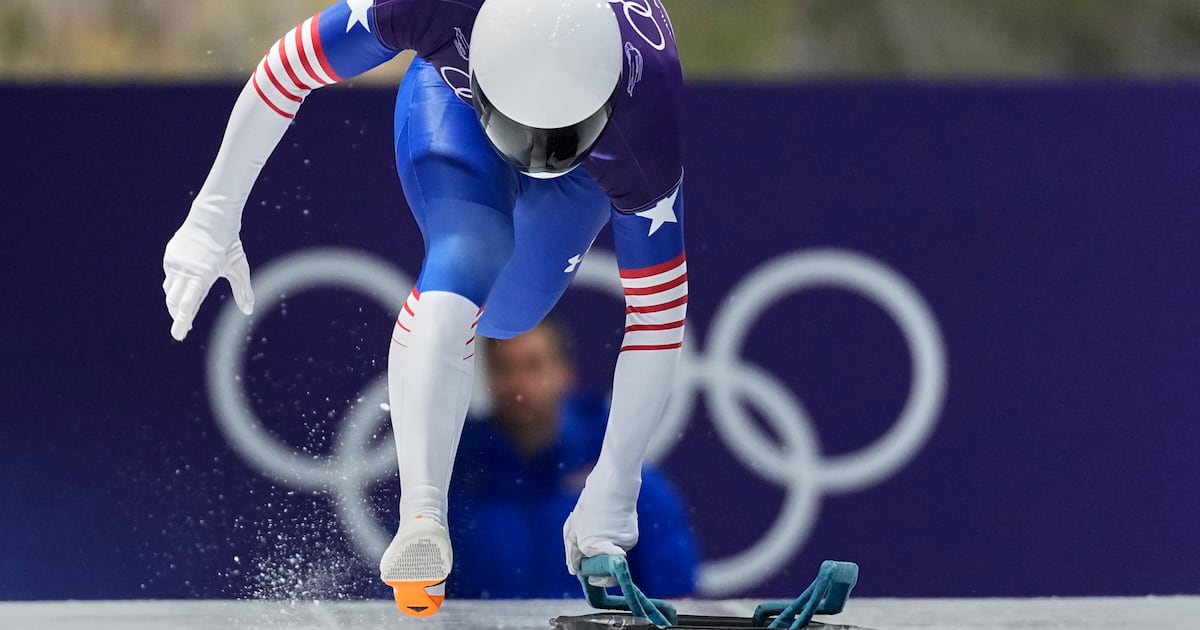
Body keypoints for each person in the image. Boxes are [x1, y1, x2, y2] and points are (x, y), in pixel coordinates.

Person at [162, 0, 687, 617]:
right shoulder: (429, 7)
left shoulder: (647, 108)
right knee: (470, 250)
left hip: (593, 155)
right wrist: (213, 214)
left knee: (507, 315)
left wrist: (616, 486)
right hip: (455, 105)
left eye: (556, 142)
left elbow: (658, 314)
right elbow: (286, 68)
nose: (534, 155)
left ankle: (547, 140)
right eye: (524, 135)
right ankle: (421, 513)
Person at [450, 315, 698, 599]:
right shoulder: (454, 481)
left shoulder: (622, 476)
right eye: (504, 368)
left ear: (564, 372)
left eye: (533, 366)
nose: (519, 384)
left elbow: (674, 600)